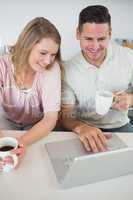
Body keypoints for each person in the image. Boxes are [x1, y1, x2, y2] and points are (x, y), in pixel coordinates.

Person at [61, 5, 133, 153]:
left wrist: (130, 99)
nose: (95, 46)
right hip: (85, 128)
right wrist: (81, 127)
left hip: (121, 127)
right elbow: (66, 115)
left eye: (101, 39)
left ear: (110, 34)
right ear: (77, 34)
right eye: (88, 39)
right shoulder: (67, 69)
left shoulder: (128, 56)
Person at [0, 17, 61, 169]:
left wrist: (21, 144)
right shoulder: (2, 65)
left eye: (53, 55)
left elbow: (50, 118)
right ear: (27, 46)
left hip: (37, 125)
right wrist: (2, 146)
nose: (48, 61)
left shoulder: (52, 69)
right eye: (43, 53)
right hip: (6, 122)